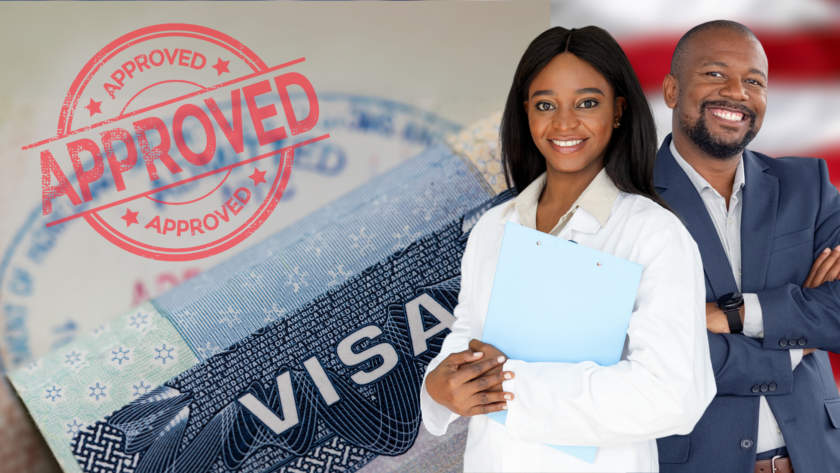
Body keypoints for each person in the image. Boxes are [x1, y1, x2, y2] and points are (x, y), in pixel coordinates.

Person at [419, 26, 716, 472]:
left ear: (618, 111)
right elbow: (469, 333)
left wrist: (510, 386)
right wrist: (440, 386)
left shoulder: (653, 234)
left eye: (586, 103)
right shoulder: (491, 229)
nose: (564, 123)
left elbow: (673, 395)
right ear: (526, 114)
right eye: (545, 105)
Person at [653, 20, 840, 473]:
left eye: (753, 81)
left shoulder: (807, 185)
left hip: (818, 456)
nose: (736, 92)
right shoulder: (628, 202)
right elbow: (658, 350)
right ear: (672, 90)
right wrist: (798, 341)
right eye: (715, 74)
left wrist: (732, 315)